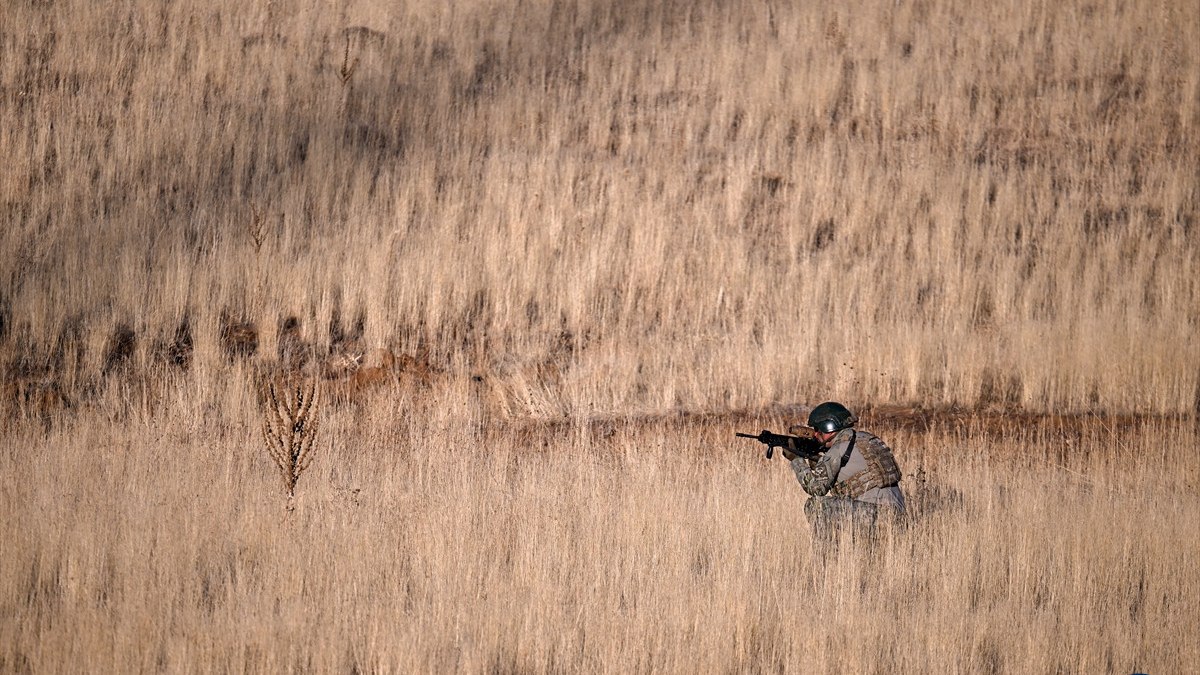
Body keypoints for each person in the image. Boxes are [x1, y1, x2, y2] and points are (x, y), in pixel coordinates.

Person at [785, 402, 905, 554]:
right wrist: (815, 458)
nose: (815, 434)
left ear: (829, 427)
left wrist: (796, 459)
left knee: (816, 506)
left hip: (877, 517)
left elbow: (815, 488)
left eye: (817, 429)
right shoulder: (867, 439)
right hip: (898, 517)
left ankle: (827, 560)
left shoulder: (838, 449)